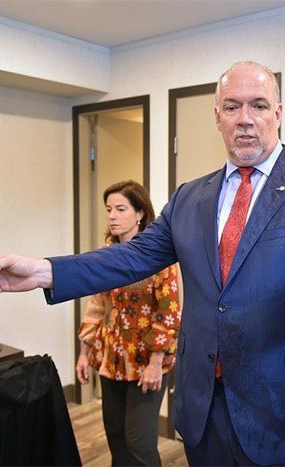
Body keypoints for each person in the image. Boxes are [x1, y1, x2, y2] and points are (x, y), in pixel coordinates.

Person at [0, 61, 285, 466]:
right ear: (217, 117)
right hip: (204, 413)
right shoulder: (189, 197)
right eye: (233, 107)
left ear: (279, 113)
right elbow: (133, 256)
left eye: (259, 105)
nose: (245, 118)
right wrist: (45, 271)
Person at [76, 180, 181, 466]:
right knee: (117, 438)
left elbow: (169, 312)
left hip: (147, 360)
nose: (112, 215)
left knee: (139, 442)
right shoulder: (105, 254)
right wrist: (84, 353)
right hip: (111, 357)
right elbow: (96, 306)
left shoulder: (159, 256)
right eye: (109, 209)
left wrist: (156, 361)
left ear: (139, 214)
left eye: (121, 209)